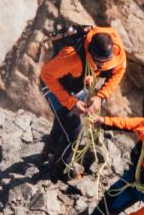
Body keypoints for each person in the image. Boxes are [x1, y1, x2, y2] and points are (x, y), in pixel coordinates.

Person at [38, 24, 126, 175]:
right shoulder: (72, 57)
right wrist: (70, 103)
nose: (103, 67)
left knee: (65, 120)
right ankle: (61, 169)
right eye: (99, 63)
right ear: (90, 54)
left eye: (106, 63)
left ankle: (48, 151)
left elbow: (118, 70)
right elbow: (46, 75)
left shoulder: (115, 46)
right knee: (74, 130)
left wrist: (101, 97)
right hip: (53, 84)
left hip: (77, 83)